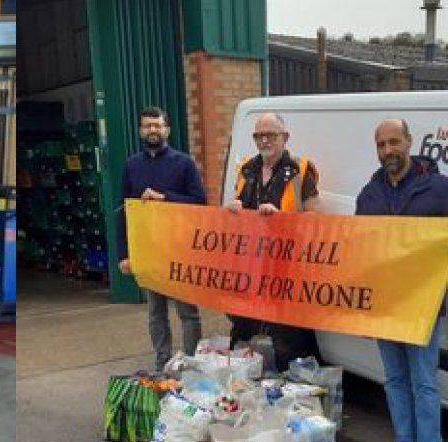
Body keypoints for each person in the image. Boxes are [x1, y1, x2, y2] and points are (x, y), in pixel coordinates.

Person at [356, 118, 448, 442]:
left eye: (394, 142)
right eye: (381, 145)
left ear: (409, 142)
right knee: (394, 378)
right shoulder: (369, 194)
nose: (388, 151)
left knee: (424, 381)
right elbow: (359, 250)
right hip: (385, 304)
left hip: (423, 304)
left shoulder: (438, 188)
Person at [227, 111, 322, 373]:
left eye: (271, 135)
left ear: (285, 137)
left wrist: (283, 219)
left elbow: (316, 217)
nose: (264, 140)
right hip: (251, 269)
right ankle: (248, 390)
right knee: (244, 335)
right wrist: (235, 210)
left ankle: (291, 391)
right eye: (259, 135)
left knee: (289, 340)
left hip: (287, 272)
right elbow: (239, 218)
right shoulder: (247, 169)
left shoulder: (300, 170)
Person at [116, 107, 207, 370]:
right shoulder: (132, 165)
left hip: (179, 251)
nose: (152, 130)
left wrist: (164, 197)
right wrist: (125, 254)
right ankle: (162, 362)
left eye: (157, 125)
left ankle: (190, 362)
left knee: (187, 312)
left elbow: (200, 201)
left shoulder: (184, 163)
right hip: (149, 251)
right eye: (147, 126)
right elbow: (124, 211)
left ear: (167, 130)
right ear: (140, 130)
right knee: (155, 313)